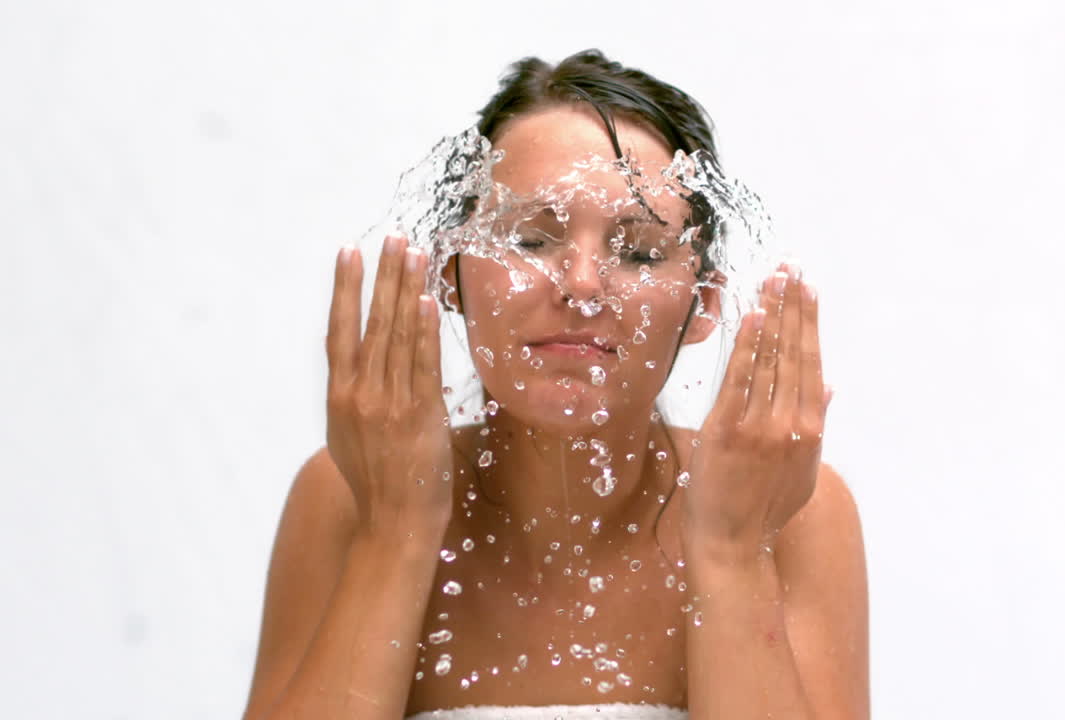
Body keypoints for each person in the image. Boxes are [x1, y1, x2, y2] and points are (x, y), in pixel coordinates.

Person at [241, 50, 869, 720]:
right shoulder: (349, 493)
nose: (582, 284)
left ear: (705, 303)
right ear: (450, 273)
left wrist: (732, 552)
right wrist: (393, 534)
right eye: (530, 240)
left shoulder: (788, 513)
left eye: (639, 251)